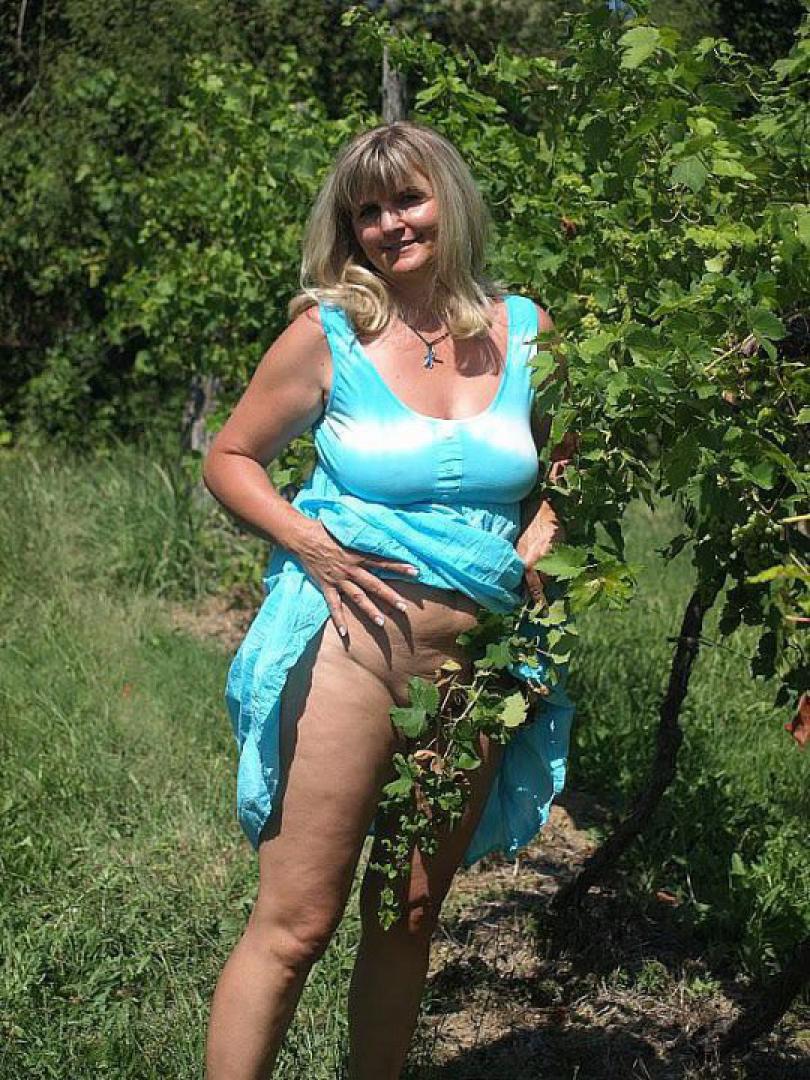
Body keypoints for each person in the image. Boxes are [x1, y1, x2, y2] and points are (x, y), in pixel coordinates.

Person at [202, 120, 576, 1080]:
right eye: (367, 211)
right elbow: (231, 457)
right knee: (297, 923)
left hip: (478, 669)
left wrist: (551, 519)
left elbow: (573, 450)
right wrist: (308, 543)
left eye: (408, 199)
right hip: (351, 653)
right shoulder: (329, 334)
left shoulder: (525, 329)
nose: (390, 225)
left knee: (407, 915)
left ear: (451, 200)